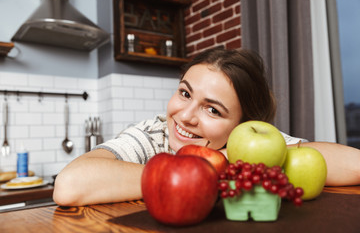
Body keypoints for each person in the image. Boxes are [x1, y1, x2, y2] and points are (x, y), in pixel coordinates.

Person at [53, 48, 360, 206]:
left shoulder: (252, 145)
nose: (185, 116)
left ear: (243, 126)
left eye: (212, 109)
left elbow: (353, 164)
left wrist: (229, 158)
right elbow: (69, 186)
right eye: (185, 93)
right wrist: (203, 173)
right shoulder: (153, 136)